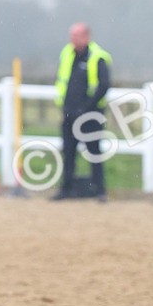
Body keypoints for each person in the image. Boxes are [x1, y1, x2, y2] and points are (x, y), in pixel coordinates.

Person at [53, 22, 112, 200]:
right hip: (69, 114)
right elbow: (61, 80)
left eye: (77, 36)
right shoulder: (66, 54)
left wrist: (85, 107)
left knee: (94, 152)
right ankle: (66, 189)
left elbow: (103, 85)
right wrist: (66, 107)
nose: (73, 40)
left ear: (86, 37)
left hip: (91, 116)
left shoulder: (98, 57)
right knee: (68, 152)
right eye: (72, 36)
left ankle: (99, 190)